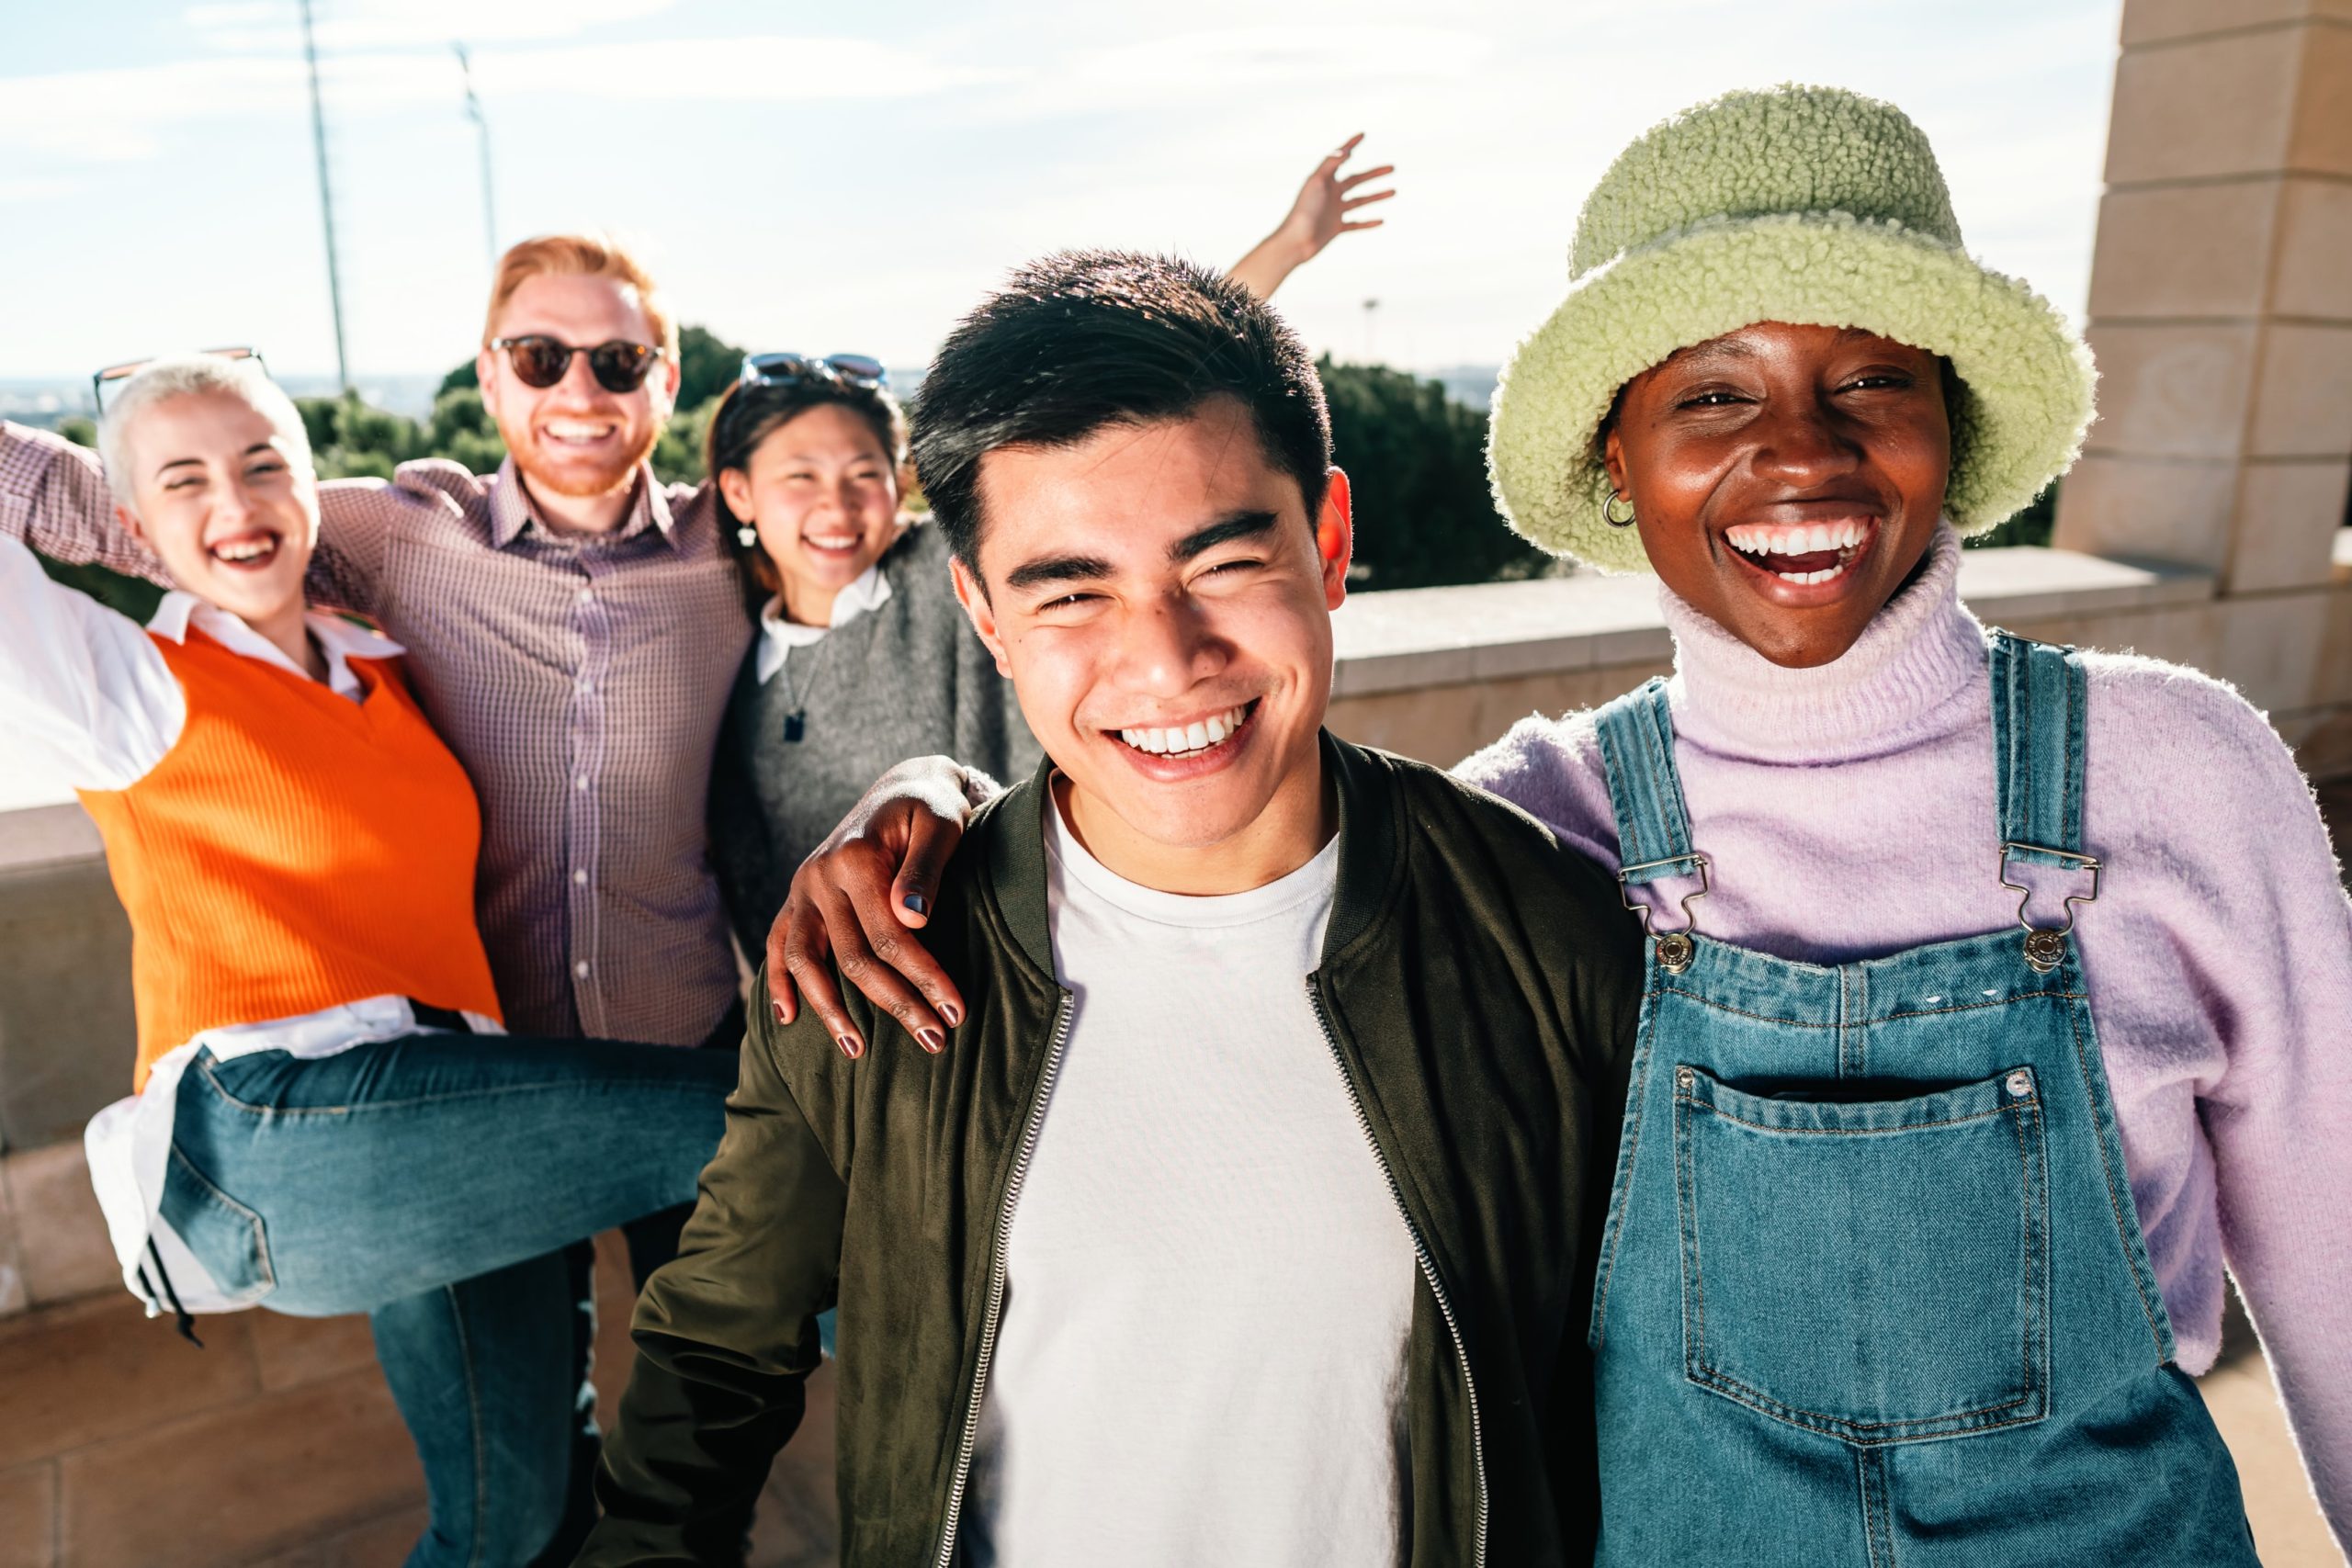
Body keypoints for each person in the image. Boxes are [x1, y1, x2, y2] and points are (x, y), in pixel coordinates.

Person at [757, 89, 2352, 1562]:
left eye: (1872, 378)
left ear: (1955, 417)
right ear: (1617, 451)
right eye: (1713, 394)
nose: (1800, 453)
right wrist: (936, 805)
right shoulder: (1550, 826)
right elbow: (1218, 813)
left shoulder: (2175, 771)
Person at [0, 134, 1397, 1554]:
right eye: (537, 359)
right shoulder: (386, 533)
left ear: (669, 385)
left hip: (682, 1048)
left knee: (712, 1426)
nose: (578, 392)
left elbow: (1058, 461)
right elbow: (144, 506)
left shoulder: (736, 548)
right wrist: (147, 472)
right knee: (509, 1491)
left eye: (617, 364)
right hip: (461, 1086)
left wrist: (1268, 262)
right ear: (488, 378)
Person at [578, 251, 1646, 1566]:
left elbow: (1648, 1383)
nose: (1166, 657)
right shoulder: (878, 955)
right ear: (981, 608)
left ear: (1328, 540)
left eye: (1226, 559)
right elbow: (710, 1356)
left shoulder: (1548, 934)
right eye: (1071, 588)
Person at [0, 354, 741, 1568]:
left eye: (261, 466)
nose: (233, 504)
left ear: (310, 488)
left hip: (445, 1119)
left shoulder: (382, 670)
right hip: (274, 1131)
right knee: (769, 1119)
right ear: (130, 526)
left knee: (520, 1516)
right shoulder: (129, 688)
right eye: (181, 482)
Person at [702, 357, 1040, 964]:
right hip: (868, 1032)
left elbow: (1113, 407)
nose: (838, 506)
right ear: (739, 492)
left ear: (899, 480)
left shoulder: (950, 568)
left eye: (864, 473)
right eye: (801, 476)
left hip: (1036, 960)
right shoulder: (726, 666)